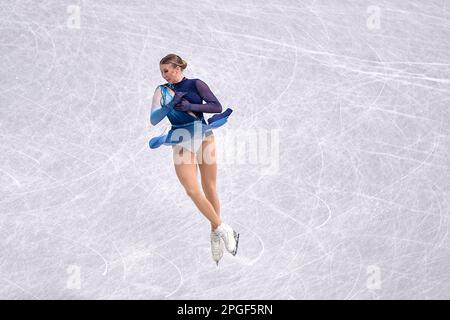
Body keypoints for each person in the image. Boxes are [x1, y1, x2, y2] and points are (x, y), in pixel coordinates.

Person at [149, 54, 239, 266]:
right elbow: (153, 119)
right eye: (162, 72)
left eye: (166, 70)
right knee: (191, 189)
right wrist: (170, 106)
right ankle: (222, 228)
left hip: (203, 135)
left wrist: (192, 106)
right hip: (180, 138)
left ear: (177, 68)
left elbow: (216, 107)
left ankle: (215, 234)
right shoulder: (161, 91)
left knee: (209, 186)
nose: (164, 75)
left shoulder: (196, 84)